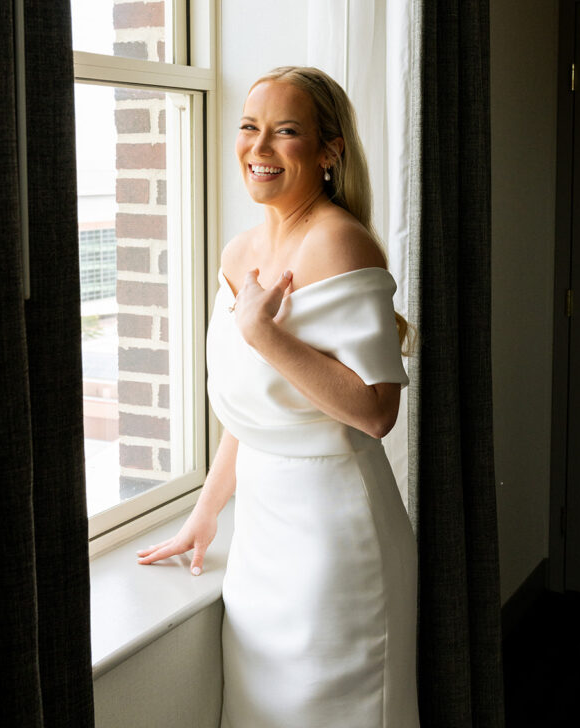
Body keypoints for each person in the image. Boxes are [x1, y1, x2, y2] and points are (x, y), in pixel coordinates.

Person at [137, 66, 420, 728]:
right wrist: (206, 513)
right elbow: (253, 408)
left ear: (328, 150)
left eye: (285, 132)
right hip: (260, 531)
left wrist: (262, 333)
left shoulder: (341, 242)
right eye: (248, 128)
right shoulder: (239, 251)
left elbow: (377, 412)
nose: (258, 149)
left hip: (333, 533)